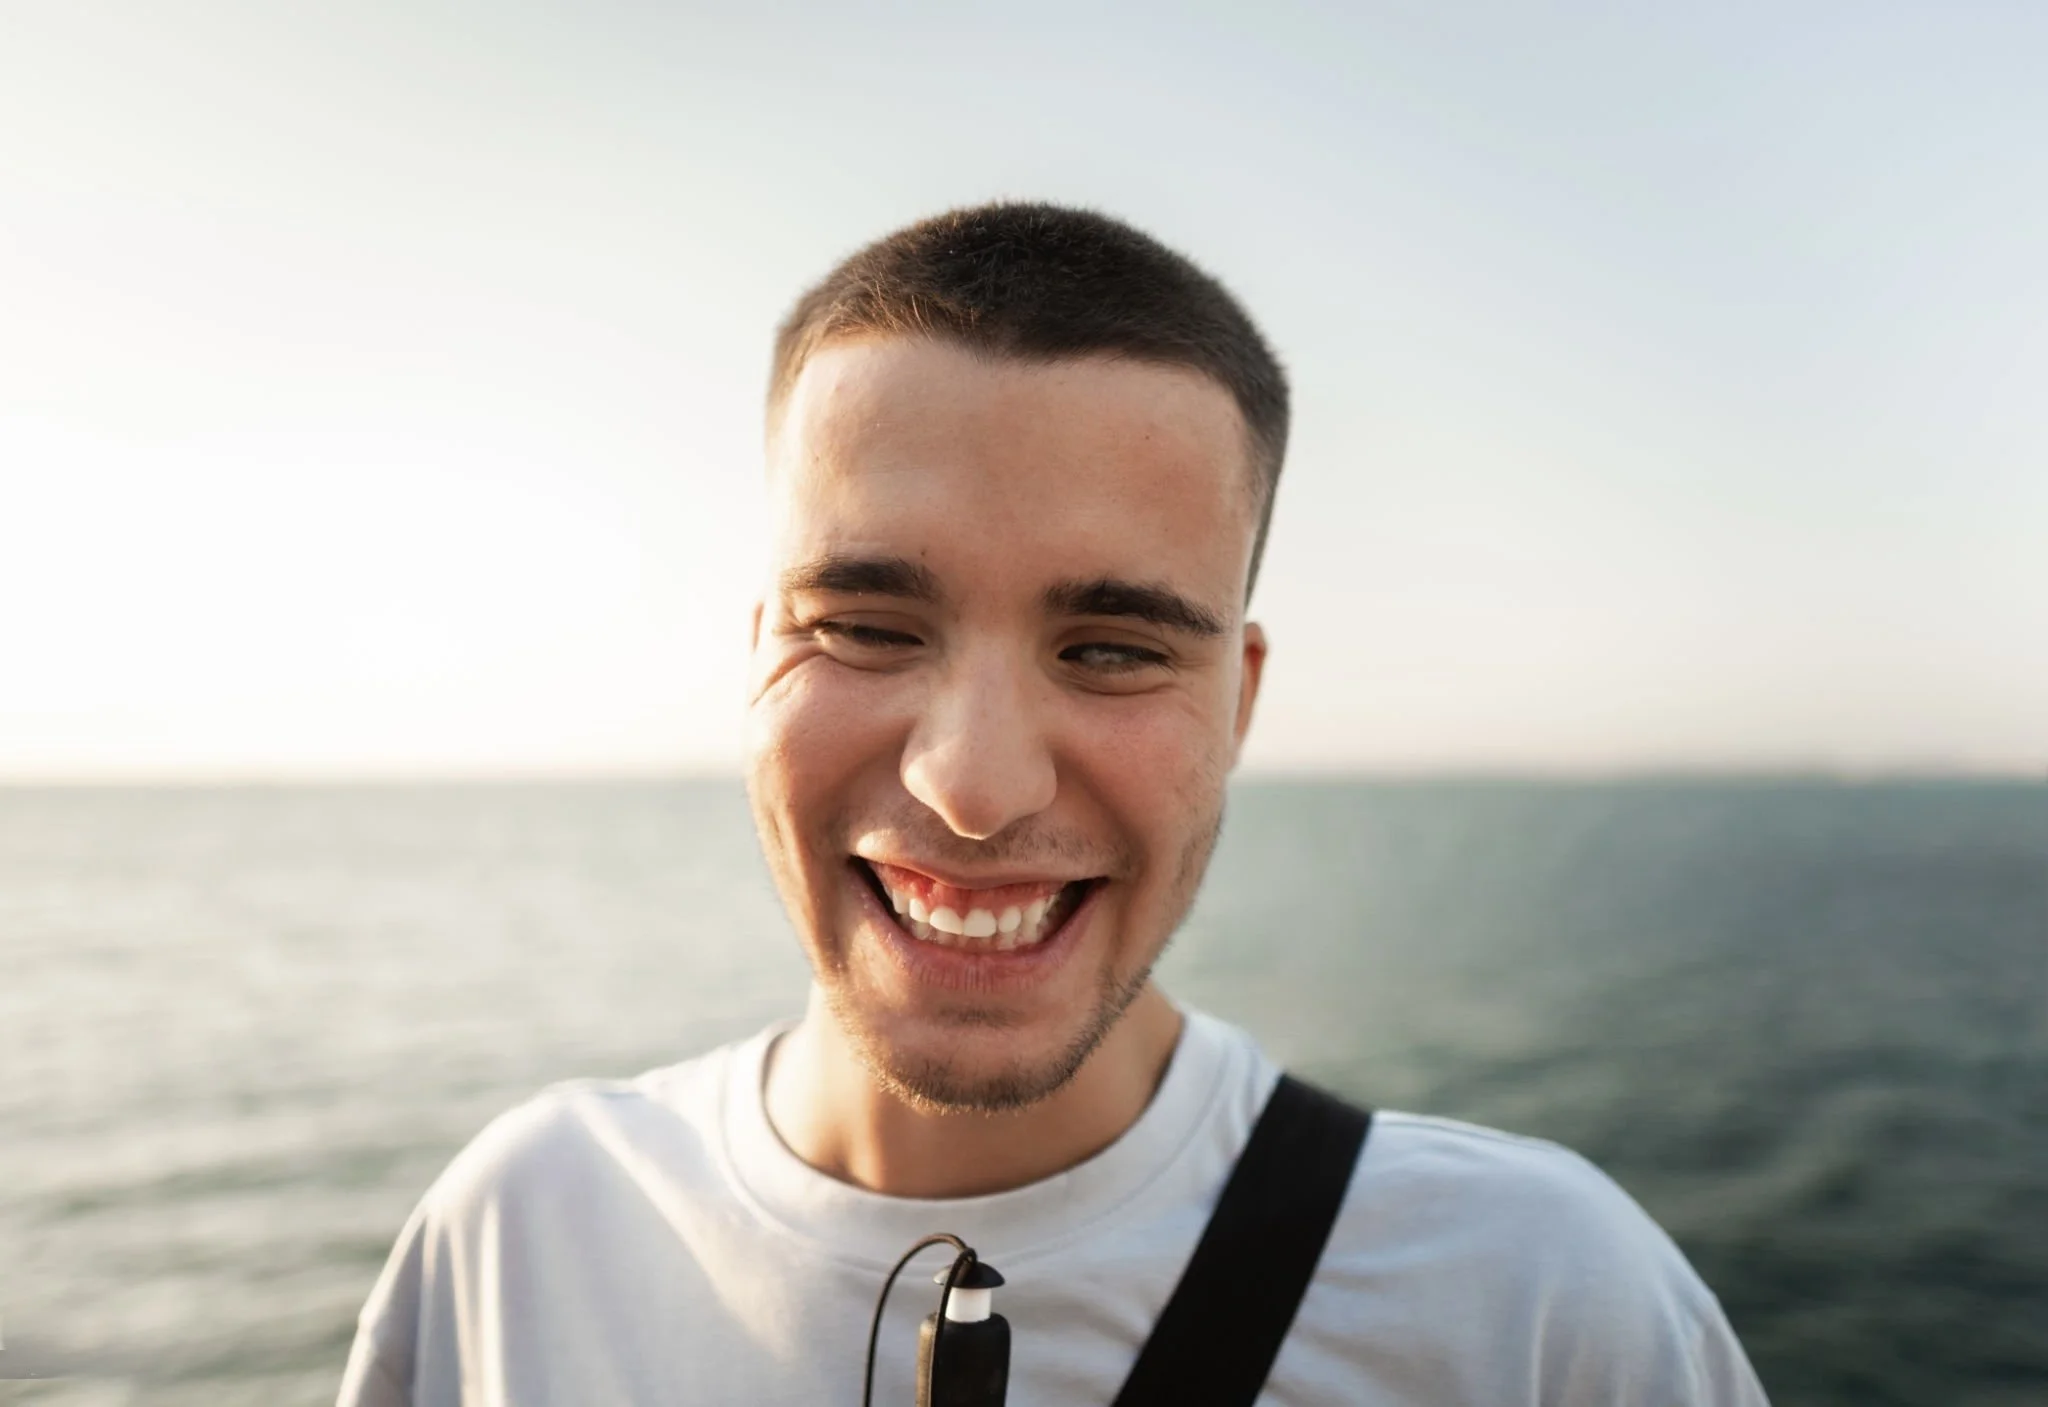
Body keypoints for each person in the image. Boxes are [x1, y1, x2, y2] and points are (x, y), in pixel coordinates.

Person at [337, 202, 1769, 1405]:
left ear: (1240, 703)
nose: (971, 785)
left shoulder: (1537, 1314)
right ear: (760, 647)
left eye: (1110, 650)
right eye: (869, 625)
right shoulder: (520, 1239)